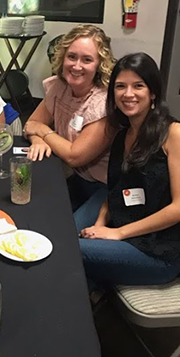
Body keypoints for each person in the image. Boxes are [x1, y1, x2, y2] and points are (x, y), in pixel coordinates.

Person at [75, 53, 180, 287]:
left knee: (69, 252)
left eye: (138, 86)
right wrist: (101, 225)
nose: (128, 94)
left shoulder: (173, 134)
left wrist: (118, 234)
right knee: (67, 234)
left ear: (153, 92)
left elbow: (178, 208)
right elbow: (115, 190)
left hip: (158, 252)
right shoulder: (123, 134)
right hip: (124, 225)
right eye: (120, 86)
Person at [24, 24, 116, 209]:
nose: (76, 66)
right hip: (72, 177)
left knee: (70, 235)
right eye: (72, 57)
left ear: (99, 64)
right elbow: (31, 123)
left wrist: (43, 131)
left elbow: (75, 156)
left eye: (87, 59)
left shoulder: (104, 103)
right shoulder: (60, 87)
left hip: (104, 188)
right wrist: (37, 141)